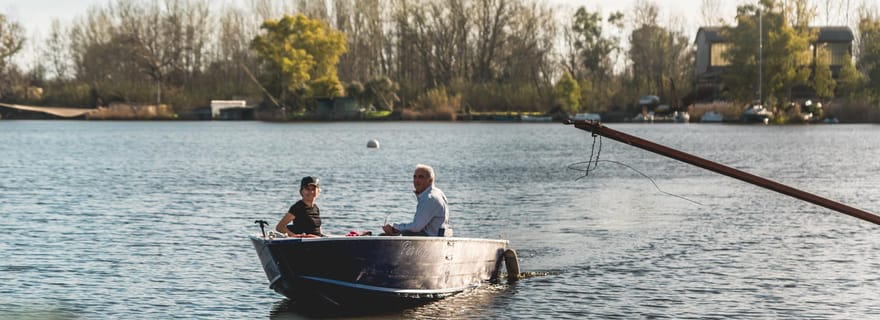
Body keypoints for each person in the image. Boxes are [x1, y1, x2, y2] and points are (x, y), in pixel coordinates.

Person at [382, 164, 453, 236]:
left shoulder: (429, 198)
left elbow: (416, 227)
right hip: (436, 236)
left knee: (384, 236)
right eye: (415, 177)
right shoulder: (438, 193)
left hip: (429, 238)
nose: (416, 180)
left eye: (421, 177)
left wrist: (394, 228)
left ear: (430, 180)